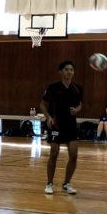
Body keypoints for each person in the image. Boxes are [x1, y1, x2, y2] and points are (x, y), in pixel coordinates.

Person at [40, 60, 83, 194]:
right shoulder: (53, 88)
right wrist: (48, 117)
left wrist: (77, 110)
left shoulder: (77, 88)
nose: (70, 72)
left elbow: (80, 104)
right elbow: (42, 104)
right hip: (56, 125)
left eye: (72, 70)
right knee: (54, 153)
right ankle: (49, 184)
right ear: (61, 72)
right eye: (67, 69)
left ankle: (67, 183)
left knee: (74, 155)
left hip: (70, 125)